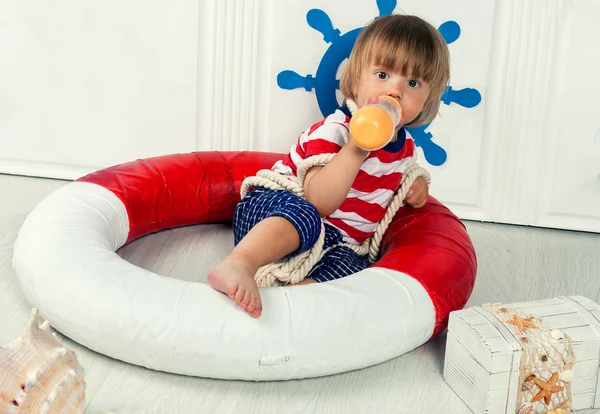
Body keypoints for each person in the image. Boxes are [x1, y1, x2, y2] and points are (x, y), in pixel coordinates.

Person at [208, 14, 450, 318]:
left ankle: (293, 303)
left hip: (330, 244)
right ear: (357, 78)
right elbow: (319, 201)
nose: (395, 91)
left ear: (428, 99)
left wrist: (416, 189)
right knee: (305, 215)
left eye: (413, 83)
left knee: (357, 267)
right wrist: (356, 148)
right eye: (382, 75)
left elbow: (385, 198)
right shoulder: (335, 130)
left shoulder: (405, 152)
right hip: (274, 213)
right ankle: (239, 263)